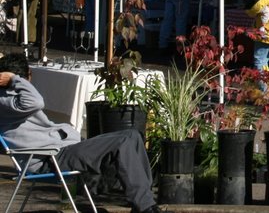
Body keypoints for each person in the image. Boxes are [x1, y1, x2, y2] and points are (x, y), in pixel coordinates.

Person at [0, 55, 162, 213]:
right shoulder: (7, 101)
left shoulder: (12, 99)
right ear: (23, 77)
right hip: (51, 158)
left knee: (132, 135)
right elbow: (36, 102)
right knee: (124, 142)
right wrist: (16, 79)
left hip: (60, 151)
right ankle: (145, 206)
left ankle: (143, 200)